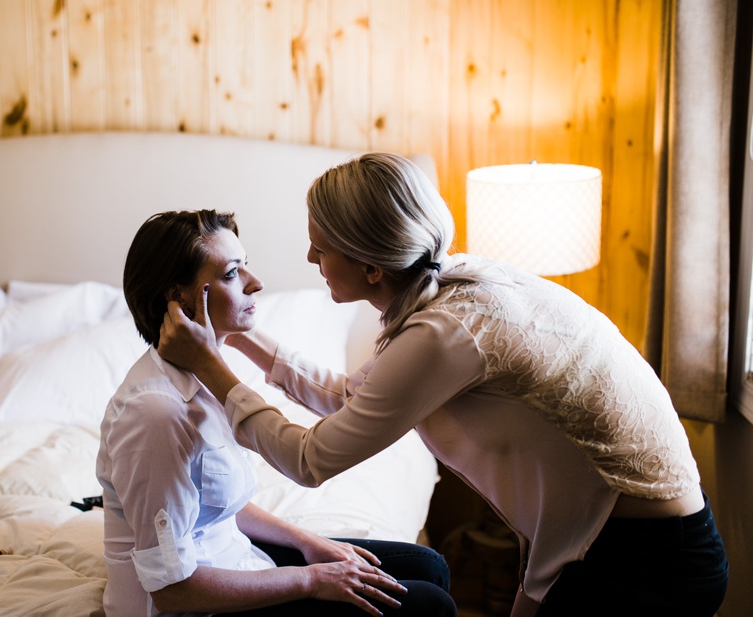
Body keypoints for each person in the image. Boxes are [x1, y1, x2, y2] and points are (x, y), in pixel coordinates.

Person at [156, 154, 730, 617]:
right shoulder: (457, 282)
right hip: (615, 539)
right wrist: (238, 343)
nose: (310, 257)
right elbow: (351, 398)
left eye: (321, 247)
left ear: (372, 267)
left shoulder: (444, 334)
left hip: (646, 560)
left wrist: (212, 367)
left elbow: (311, 460)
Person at [96, 209, 458, 617]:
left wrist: (306, 541)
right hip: (196, 603)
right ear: (180, 298)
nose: (257, 283)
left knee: (427, 566)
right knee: (431, 604)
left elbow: (214, 503)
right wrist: (313, 579)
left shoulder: (202, 381)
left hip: (236, 558)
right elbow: (172, 590)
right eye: (233, 273)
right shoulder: (156, 414)